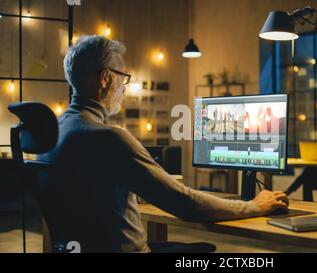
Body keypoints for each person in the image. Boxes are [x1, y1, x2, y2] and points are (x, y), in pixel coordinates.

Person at [39, 36, 288, 252]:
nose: (124, 88)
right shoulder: (111, 139)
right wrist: (253, 205)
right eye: (123, 77)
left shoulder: (51, 135)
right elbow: (187, 204)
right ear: (105, 78)